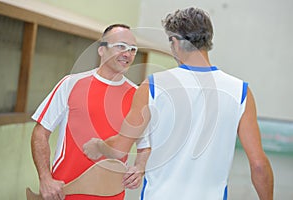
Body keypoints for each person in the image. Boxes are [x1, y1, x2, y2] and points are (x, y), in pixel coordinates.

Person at [83, 7, 274, 200]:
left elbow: (119, 147)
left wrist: (99, 145)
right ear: (207, 41)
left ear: (175, 42)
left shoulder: (153, 86)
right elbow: (258, 165)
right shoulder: (240, 91)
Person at [31, 24, 151, 200]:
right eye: (121, 46)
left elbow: (144, 144)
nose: (128, 54)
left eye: (133, 49)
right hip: (64, 193)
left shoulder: (137, 95)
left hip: (113, 195)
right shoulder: (71, 84)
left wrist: (139, 168)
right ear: (101, 50)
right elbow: (40, 133)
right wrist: (45, 178)